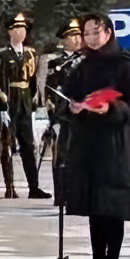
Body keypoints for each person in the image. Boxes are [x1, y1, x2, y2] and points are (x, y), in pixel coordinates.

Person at [61, 13, 130, 259]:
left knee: (112, 206)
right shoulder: (83, 66)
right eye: (87, 34)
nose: (92, 39)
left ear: (108, 33)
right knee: (95, 206)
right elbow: (67, 94)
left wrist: (111, 108)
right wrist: (72, 106)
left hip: (116, 144)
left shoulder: (124, 65)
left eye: (96, 32)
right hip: (89, 143)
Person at [0, 13, 50, 200]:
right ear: (10, 32)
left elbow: (33, 81)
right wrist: (2, 107)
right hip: (10, 101)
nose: (21, 32)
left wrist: (34, 104)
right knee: (7, 145)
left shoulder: (31, 54)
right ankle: (9, 186)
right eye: (17, 29)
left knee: (28, 145)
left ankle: (34, 186)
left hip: (25, 102)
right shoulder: (3, 55)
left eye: (23, 29)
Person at [45, 18, 83, 207]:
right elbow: (50, 91)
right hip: (63, 115)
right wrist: (54, 117)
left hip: (82, 115)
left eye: (79, 35)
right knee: (61, 156)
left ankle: (78, 193)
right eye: (72, 36)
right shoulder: (56, 62)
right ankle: (61, 195)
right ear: (64, 40)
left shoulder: (86, 60)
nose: (77, 39)